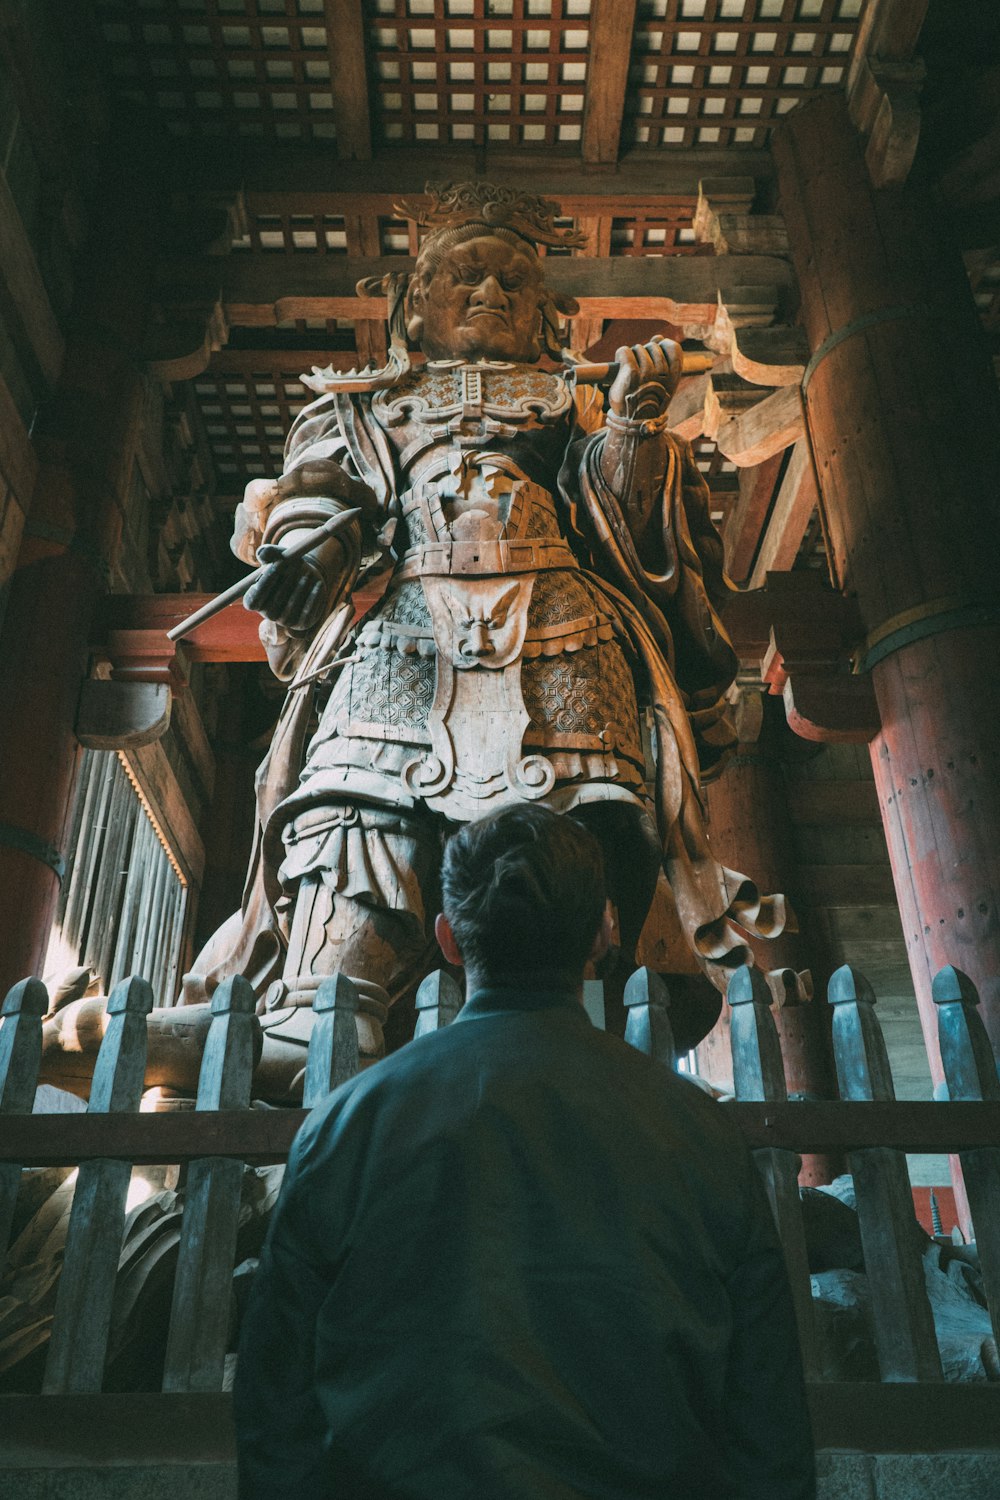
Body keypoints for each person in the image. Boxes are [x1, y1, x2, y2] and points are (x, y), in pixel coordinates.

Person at [39, 182, 788, 1103]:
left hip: (565, 636)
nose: (489, 293)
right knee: (357, 819)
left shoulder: (576, 405)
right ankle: (319, 1017)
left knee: (571, 841)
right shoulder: (361, 405)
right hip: (399, 637)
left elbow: (634, 534)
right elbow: (324, 493)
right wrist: (305, 554)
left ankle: (582, 1035)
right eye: (462, 276)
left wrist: (634, 429)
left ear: (550, 317)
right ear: (411, 307)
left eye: (513, 281)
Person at [234, 803, 816, 1499]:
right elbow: (767, 1416)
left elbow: (275, 1398)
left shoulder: (344, 1126)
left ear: (447, 940)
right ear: (605, 930)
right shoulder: (702, 1134)